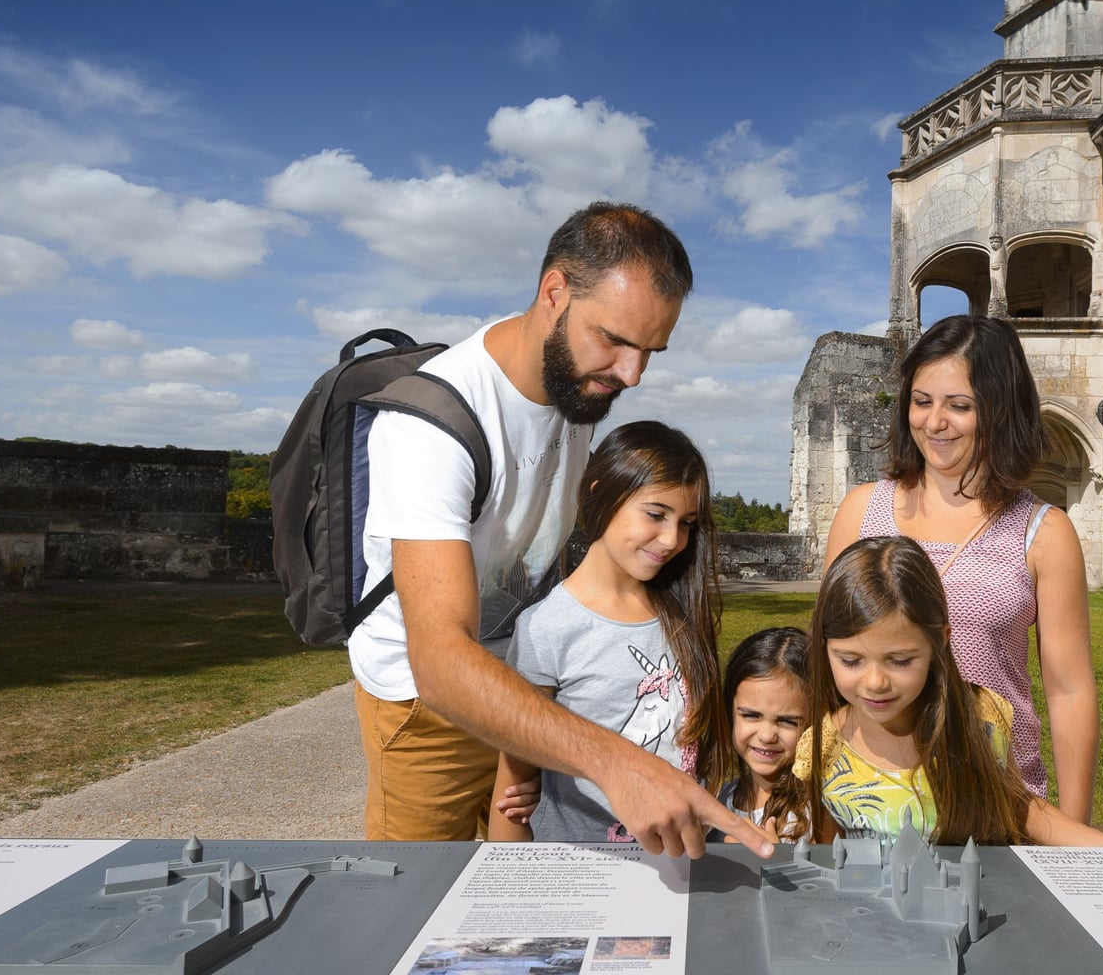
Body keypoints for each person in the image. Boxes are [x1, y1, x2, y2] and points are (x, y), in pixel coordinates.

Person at [348, 202, 769, 857]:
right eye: (616, 340)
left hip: (528, 685)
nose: (632, 374)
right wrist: (619, 762)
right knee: (417, 901)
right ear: (554, 292)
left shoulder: (579, 393)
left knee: (529, 898)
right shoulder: (432, 425)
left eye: (650, 351)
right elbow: (439, 660)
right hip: (426, 709)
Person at [823, 313, 1099, 821]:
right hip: (874, 802)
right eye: (922, 402)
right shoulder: (861, 513)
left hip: (997, 802)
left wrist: (1073, 831)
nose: (934, 422)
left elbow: (1069, 690)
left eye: (960, 406)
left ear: (999, 411)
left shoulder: (1045, 533)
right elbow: (829, 662)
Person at [487, 421, 731, 843]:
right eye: (656, 514)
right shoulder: (545, 629)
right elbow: (512, 788)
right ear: (601, 493)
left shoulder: (682, 612)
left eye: (687, 522)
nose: (673, 539)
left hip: (683, 864)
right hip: (582, 874)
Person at [798, 535, 1103, 847]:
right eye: (851, 660)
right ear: (825, 646)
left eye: (899, 661)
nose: (875, 682)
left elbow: (1016, 806)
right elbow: (825, 849)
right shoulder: (823, 745)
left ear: (940, 640)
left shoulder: (982, 717)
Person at [713, 626, 812, 842]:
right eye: (751, 716)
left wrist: (776, 861)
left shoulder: (816, 816)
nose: (767, 736)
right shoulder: (716, 801)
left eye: (787, 721)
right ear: (730, 713)